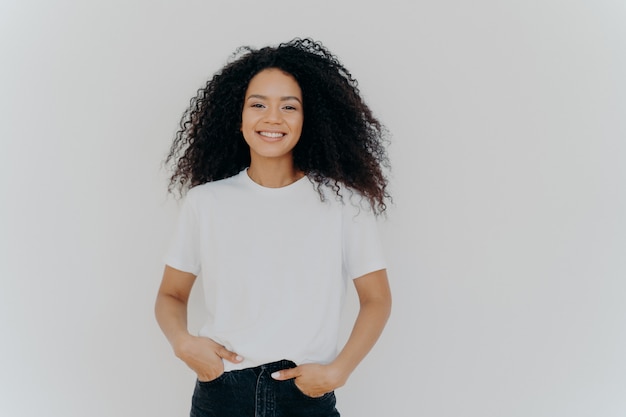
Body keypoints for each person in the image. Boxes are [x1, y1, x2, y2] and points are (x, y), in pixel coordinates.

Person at [155, 37, 392, 417]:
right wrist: (183, 343)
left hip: (305, 397)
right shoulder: (206, 201)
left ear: (308, 117)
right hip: (222, 395)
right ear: (239, 115)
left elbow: (377, 299)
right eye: (258, 104)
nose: (272, 118)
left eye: (289, 106)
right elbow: (171, 295)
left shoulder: (344, 204)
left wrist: (338, 372)